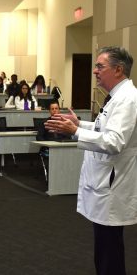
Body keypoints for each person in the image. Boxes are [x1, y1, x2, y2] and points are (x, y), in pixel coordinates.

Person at [45, 47, 137, 275]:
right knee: (105, 249)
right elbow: (104, 129)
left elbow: (114, 141)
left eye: (100, 66)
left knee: (109, 253)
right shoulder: (116, 96)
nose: (95, 71)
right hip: (105, 182)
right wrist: (81, 125)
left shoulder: (127, 99)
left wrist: (75, 131)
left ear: (118, 69)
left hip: (111, 185)